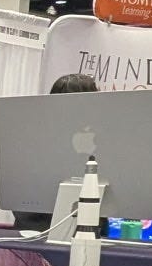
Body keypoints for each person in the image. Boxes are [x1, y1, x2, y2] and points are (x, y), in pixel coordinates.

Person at [10, 73, 101, 227]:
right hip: (37, 228)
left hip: (90, 225)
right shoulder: (34, 140)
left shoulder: (100, 138)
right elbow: (20, 197)